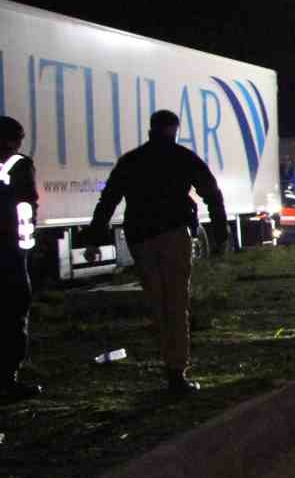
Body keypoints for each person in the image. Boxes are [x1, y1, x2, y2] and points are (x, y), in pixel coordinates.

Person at [83, 109, 229, 393]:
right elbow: (212, 193)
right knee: (176, 302)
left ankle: (169, 362)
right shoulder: (183, 157)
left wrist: (93, 239)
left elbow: (108, 200)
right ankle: (176, 371)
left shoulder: (131, 160)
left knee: (157, 303)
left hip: (140, 238)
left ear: (151, 128)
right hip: (173, 234)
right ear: (174, 129)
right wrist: (221, 234)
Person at [0, 116, 42, 401]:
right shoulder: (20, 165)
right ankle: (8, 379)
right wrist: (26, 245)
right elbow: (26, 206)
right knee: (14, 313)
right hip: (10, 252)